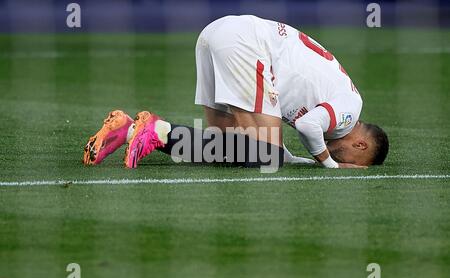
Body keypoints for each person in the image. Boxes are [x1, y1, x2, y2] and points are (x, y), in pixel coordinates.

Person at [83, 15, 389, 169]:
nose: (343, 159)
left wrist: (295, 159)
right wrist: (330, 165)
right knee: (266, 156)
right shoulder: (350, 110)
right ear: (361, 146)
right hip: (248, 45)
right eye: (352, 161)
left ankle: (131, 131)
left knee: (226, 146)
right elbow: (309, 127)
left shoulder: (340, 101)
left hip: (219, 33)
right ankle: (154, 130)